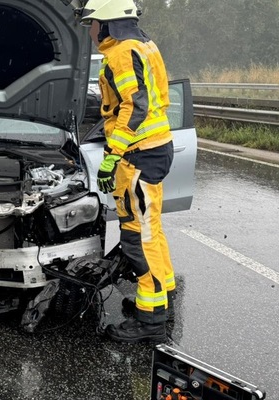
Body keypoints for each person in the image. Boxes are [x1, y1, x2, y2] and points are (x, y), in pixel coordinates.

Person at [77, 0, 176, 343]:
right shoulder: (143, 45)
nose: (91, 31)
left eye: (93, 24)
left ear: (108, 24)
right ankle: (161, 301)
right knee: (153, 231)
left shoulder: (122, 52)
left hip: (140, 154)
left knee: (139, 240)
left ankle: (151, 325)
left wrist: (111, 155)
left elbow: (135, 106)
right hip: (154, 149)